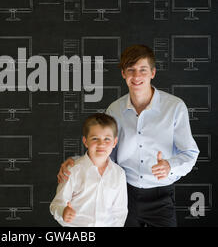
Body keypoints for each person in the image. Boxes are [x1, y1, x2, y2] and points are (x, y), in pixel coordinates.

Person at [57, 45, 199, 227]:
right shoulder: (114, 109)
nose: (137, 76)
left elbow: (190, 153)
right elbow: (106, 152)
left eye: (143, 70)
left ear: (153, 73)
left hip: (161, 196)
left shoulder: (175, 107)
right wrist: (75, 162)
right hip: (124, 194)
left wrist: (169, 166)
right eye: (131, 70)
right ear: (123, 74)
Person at [50, 113, 128, 227]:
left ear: (114, 142)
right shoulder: (73, 170)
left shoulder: (119, 174)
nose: (101, 144)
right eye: (95, 138)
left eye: (107, 139)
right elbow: (56, 204)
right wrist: (63, 212)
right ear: (85, 141)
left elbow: (120, 211)